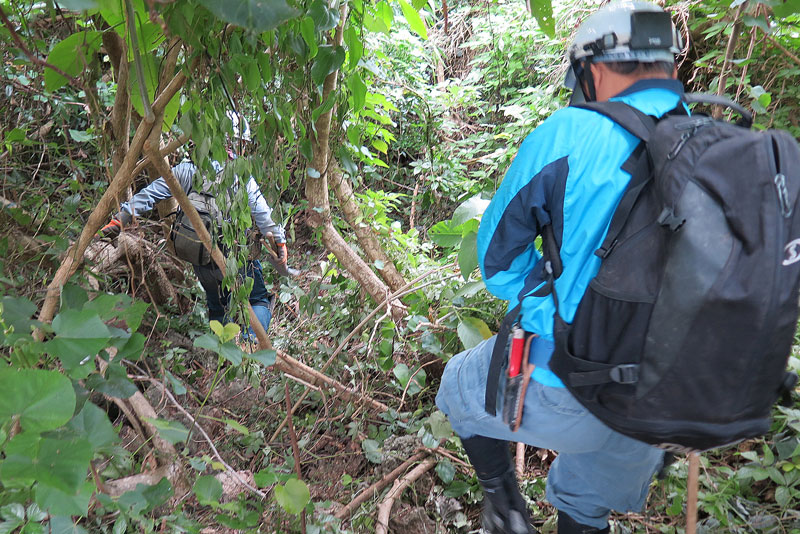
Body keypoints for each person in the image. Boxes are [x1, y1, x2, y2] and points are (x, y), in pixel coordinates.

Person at [435, 2, 684, 532]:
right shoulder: (714, 143)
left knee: (456, 386)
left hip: (565, 386)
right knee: (584, 497)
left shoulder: (568, 133)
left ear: (593, 68)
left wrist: (554, 285)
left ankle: (505, 510)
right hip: (666, 407)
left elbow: (497, 265)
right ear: (669, 66)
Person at [100, 115, 287, 338]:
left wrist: (119, 218)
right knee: (257, 300)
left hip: (200, 256)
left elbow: (149, 195)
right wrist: (281, 243)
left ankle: (223, 355)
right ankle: (252, 346)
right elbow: (265, 216)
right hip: (236, 257)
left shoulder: (187, 170)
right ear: (235, 142)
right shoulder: (240, 177)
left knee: (217, 306)